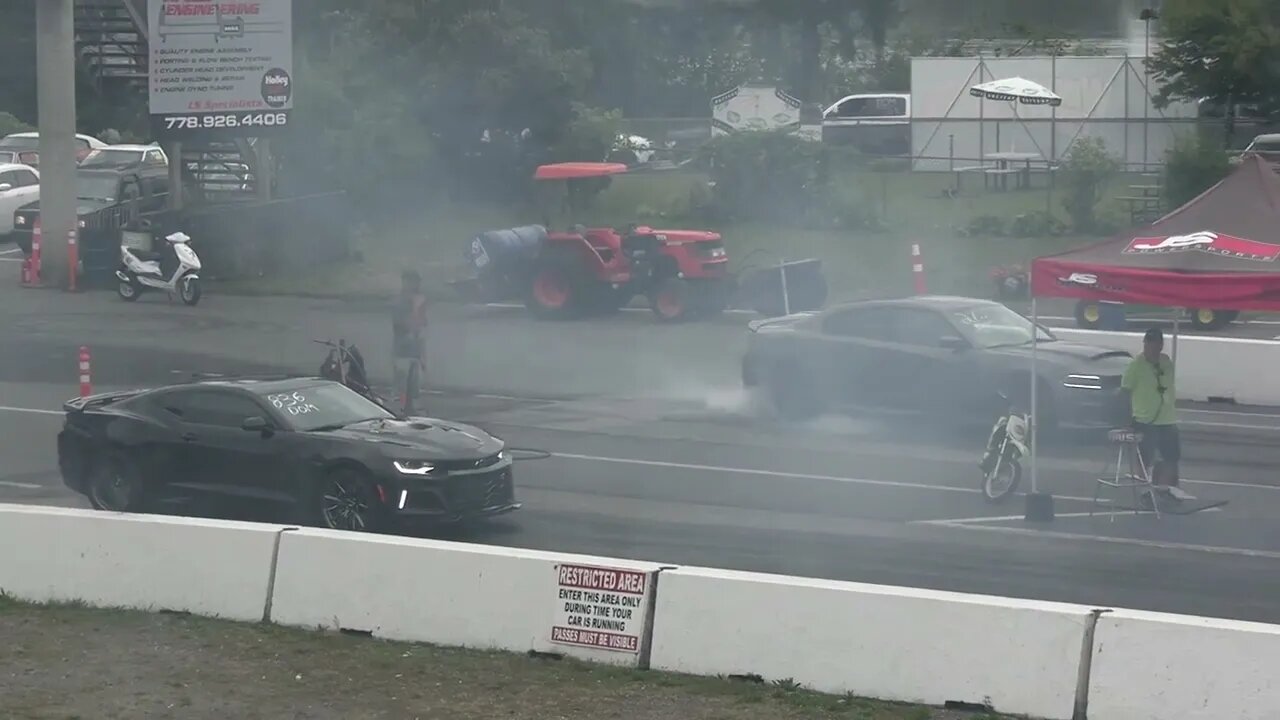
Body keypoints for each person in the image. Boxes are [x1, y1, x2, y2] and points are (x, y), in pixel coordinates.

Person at [1120, 327, 1195, 501]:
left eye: (1156, 344)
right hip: (1145, 419)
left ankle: (1164, 487)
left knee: (1171, 456)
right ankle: (1143, 490)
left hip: (1166, 418)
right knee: (1145, 457)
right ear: (1145, 343)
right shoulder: (1135, 366)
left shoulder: (1166, 363)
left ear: (1161, 345)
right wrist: (1126, 419)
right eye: (1149, 343)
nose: (1152, 347)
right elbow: (1125, 392)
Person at [391, 270, 428, 414]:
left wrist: (423, 354)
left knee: (413, 383)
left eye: (416, 282)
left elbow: (423, 324)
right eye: (410, 282)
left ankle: (409, 407)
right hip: (403, 349)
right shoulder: (400, 302)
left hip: (415, 348)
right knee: (402, 382)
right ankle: (402, 408)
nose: (414, 285)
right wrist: (416, 307)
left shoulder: (419, 301)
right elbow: (401, 325)